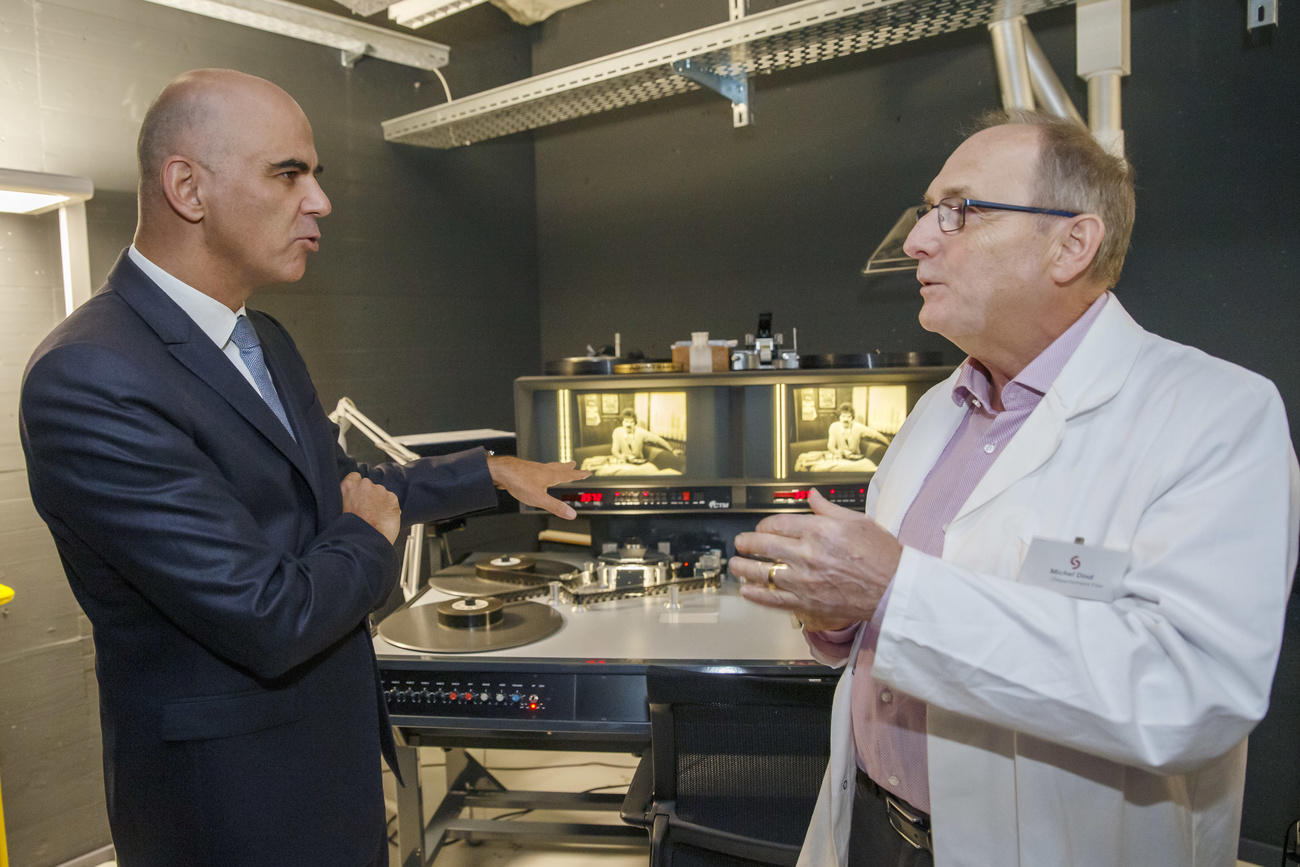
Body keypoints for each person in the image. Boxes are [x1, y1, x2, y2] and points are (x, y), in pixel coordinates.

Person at [18, 68, 587, 867]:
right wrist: (367, 538)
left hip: (332, 770)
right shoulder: (89, 376)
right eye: (289, 173)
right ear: (188, 186)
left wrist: (488, 473)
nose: (319, 201)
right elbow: (268, 612)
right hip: (232, 809)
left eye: (314, 175)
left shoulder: (264, 340)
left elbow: (336, 488)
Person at [731, 111, 1299, 867]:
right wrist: (835, 614)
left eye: (957, 210)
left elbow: (1190, 691)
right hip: (867, 821)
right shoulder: (937, 411)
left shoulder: (1218, 416)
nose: (917, 240)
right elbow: (885, 623)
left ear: (1072, 243)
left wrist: (894, 590)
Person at [611, 407, 682, 464]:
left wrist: (672, 450)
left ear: (635, 423)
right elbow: (614, 450)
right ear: (622, 423)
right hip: (624, 463)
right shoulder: (617, 432)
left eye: (631, 422)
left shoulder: (640, 432)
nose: (628, 424)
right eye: (626, 421)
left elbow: (657, 439)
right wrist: (621, 457)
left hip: (639, 463)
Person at [825, 402, 890, 460]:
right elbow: (830, 446)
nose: (846, 419)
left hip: (856, 459)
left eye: (849, 417)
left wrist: (889, 445)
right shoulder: (834, 427)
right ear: (839, 417)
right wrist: (841, 453)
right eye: (843, 416)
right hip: (841, 458)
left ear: (852, 418)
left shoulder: (858, 427)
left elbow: (875, 435)